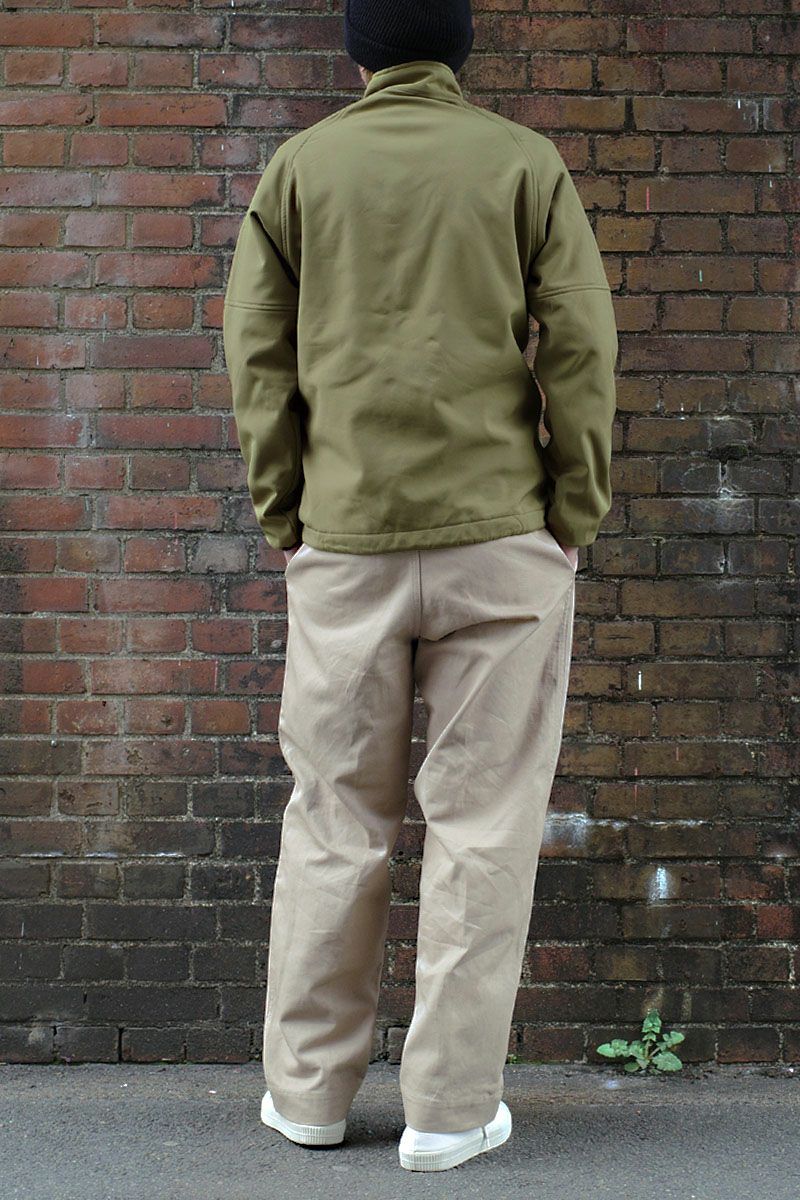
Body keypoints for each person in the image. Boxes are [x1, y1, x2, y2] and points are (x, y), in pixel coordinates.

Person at [222, 0, 617, 1174]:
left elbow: (256, 352)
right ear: (458, 47)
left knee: (333, 821)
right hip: (500, 542)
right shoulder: (522, 164)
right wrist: (573, 511)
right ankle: (447, 1111)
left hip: (345, 541)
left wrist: (284, 512)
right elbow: (580, 345)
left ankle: (308, 1096)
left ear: (355, 50)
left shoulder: (300, 170)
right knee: (481, 826)